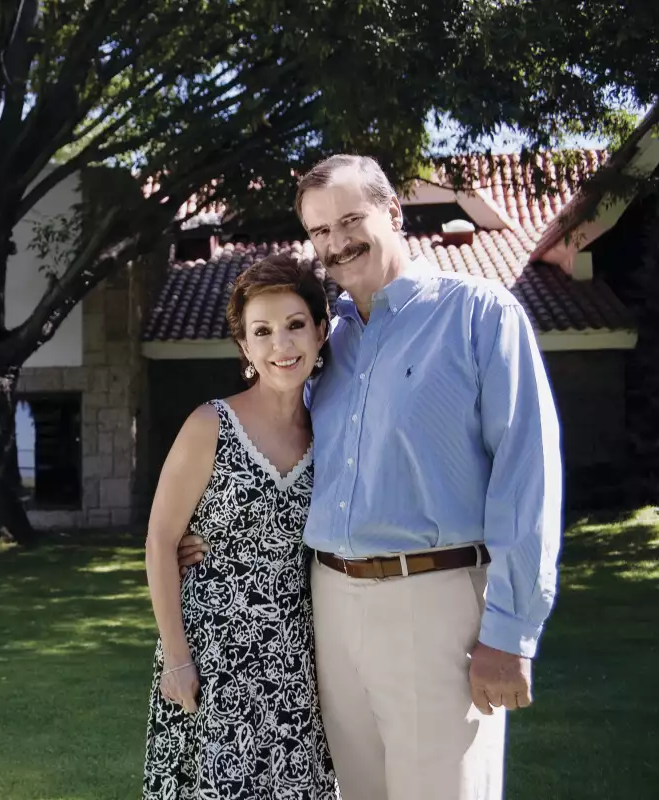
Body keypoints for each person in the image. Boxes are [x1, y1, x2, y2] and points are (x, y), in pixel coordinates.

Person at [177, 154, 563, 800]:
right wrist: (218, 540)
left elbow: (528, 479)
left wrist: (511, 632)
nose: (337, 242)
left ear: (393, 212)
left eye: (351, 220)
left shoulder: (479, 315)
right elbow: (292, 463)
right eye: (320, 231)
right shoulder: (328, 344)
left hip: (435, 599)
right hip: (330, 605)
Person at [143, 251, 339, 799]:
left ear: (321, 333)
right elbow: (160, 543)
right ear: (245, 347)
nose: (282, 345)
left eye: (296, 325)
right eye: (263, 331)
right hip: (212, 655)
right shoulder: (210, 425)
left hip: (300, 657)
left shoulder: (333, 434)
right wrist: (178, 658)